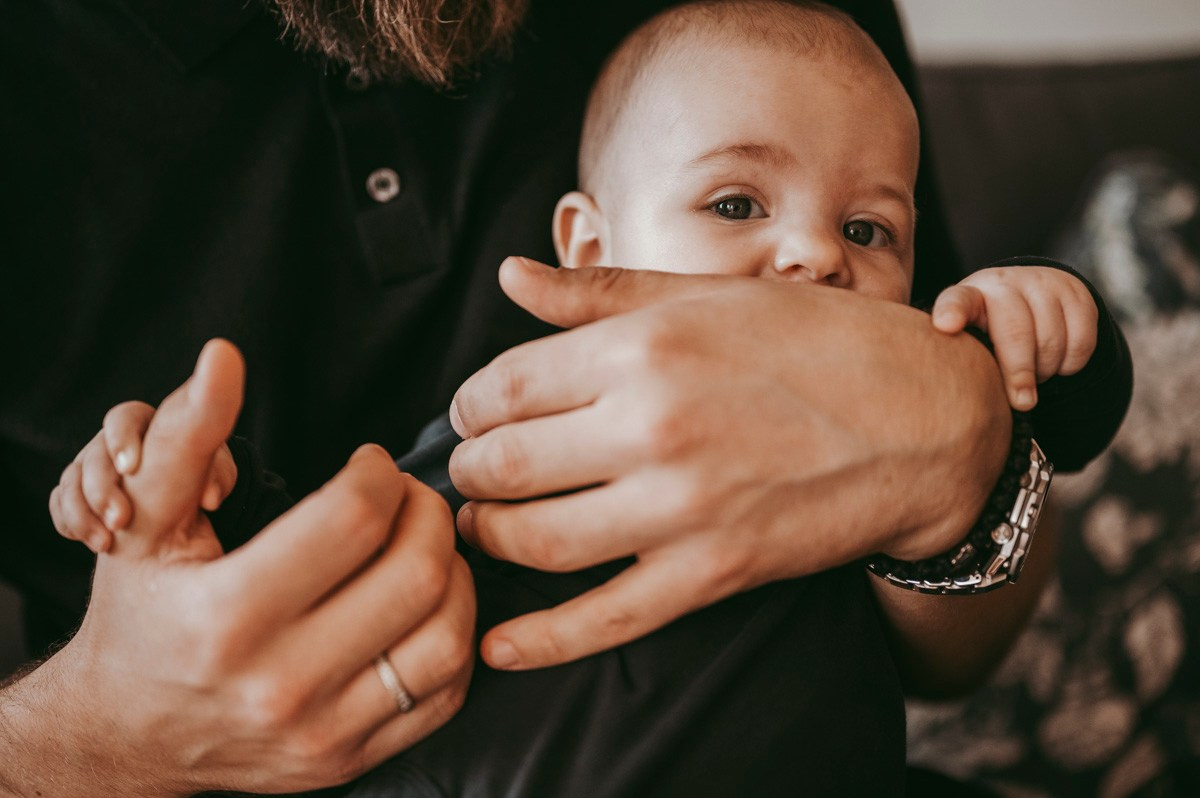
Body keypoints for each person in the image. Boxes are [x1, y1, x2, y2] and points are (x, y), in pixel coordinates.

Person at [0, 0, 1131, 795]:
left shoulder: (803, 65)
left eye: (867, 230)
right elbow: (330, 554)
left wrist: (979, 413)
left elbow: (970, 608)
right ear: (585, 242)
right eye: (735, 206)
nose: (812, 257)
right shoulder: (503, 429)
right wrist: (143, 637)